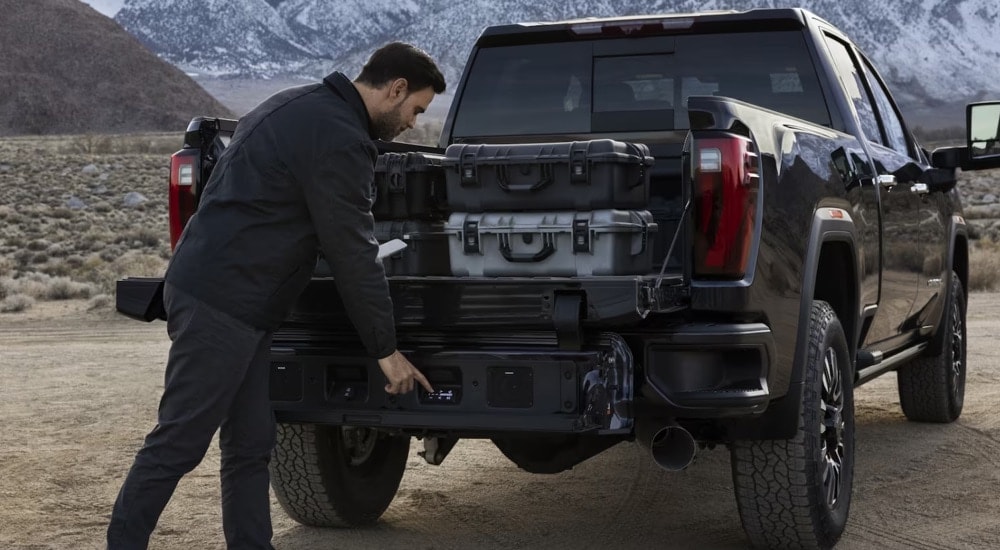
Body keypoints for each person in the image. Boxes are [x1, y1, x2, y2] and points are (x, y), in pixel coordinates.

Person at [106, 42, 445, 549]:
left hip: (241, 301)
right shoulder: (339, 136)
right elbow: (354, 254)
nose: (413, 123)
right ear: (395, 89)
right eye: (416, 108)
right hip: (222, 301)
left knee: (250, 445)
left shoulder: (294, 102)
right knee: (178, 442)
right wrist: (386, 351)